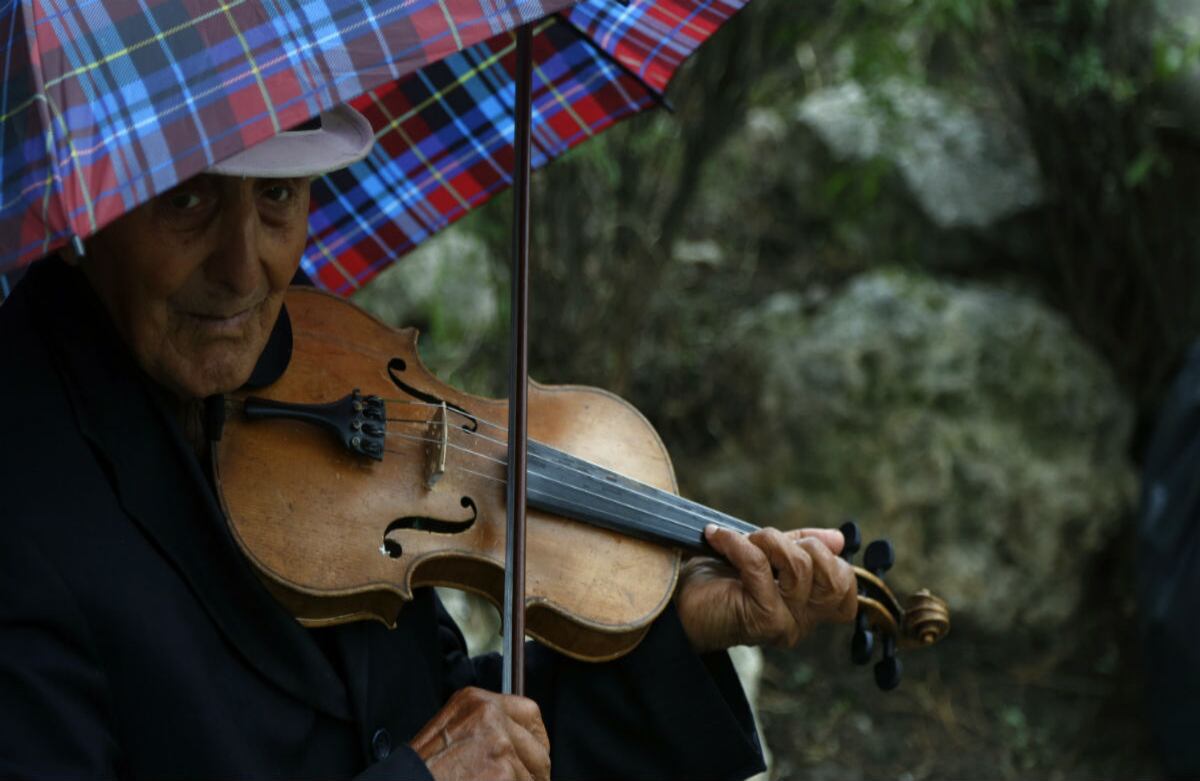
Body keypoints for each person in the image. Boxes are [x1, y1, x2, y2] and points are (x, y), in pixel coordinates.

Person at [0, 105, 858, 780]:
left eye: (277, 196)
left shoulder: (321, 361)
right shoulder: (23, 505)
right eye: (184, 198)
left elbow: (454, 726)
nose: (246, 267)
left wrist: (673, 632)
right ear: (84, 195)